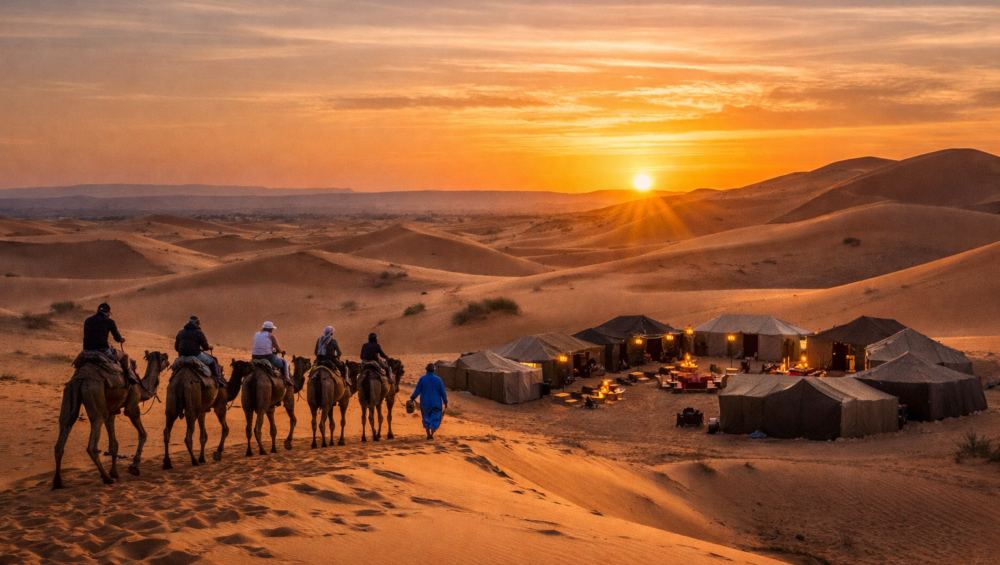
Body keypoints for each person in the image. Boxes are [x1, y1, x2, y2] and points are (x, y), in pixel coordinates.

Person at [82, 303, 137, 384]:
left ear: (97, 311)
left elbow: (88, 335)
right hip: (103, 351)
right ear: (108, 313)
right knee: (125, 356)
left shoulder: (88, 320)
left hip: (86, 351)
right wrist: (121, 339)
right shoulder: (109, 321)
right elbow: (117, 338)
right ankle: (130, 376)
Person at [174, 316, 225, 386]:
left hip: (182, 356)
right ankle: (218, 379)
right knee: (213, 361)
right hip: (196, 355)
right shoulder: (198, 333)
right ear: (197, 324)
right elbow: (205, 347)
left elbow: (176, 348)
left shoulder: (180, 332)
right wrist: (209, 347)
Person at [410, 363, 448, 440]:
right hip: (436, 403)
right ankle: (431, 434)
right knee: (435, 419)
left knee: (426, 418)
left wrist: (412, 398)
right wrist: (445, 402)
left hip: (425, 403)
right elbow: (443, 392)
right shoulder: (438, 379)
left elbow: (417, 390)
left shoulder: (422, 379)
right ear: (434, 370)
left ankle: (428, 434)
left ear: (426, 370)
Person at [251, 321, 292, 386]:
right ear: (270, 329)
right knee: (285, 362)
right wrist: (281, 351)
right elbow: (277, 348)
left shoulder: (256, 334)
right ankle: (287, 379)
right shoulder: (271, 336)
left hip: (254, 357)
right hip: (268, 357)